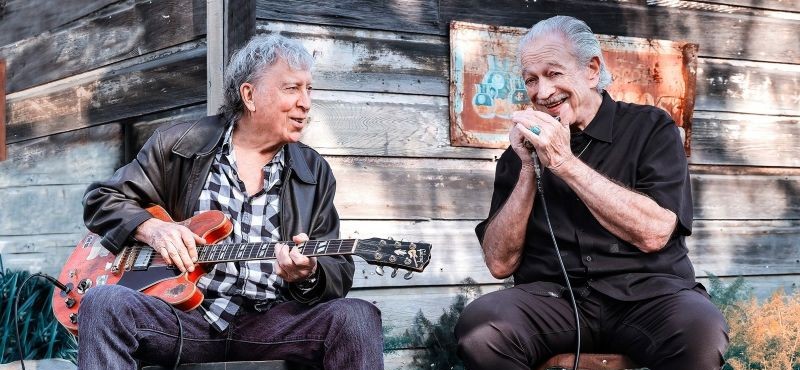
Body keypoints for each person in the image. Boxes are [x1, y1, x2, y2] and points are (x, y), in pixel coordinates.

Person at [77, 34, 383, 370]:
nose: (306, 103)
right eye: (291, 88)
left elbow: (338, 268)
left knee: (356, 316)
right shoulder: (180, 145)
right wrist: (153, 229)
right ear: (249, 95)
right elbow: (101, 200)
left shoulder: (314, 172)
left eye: (309, 89)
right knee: (103, 302)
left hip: (273, 321)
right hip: (184, 317)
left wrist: (308, 273)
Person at [454, 16, 728, 370]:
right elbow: (499, 263)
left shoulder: (650, 128)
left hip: (647, 296)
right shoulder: (520, 152)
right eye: (531, 80)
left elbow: (655, 232)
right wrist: (526, 168)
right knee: (481, 329)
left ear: (592, 70)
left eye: (553, 74)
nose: (542, 92)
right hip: (556, 301)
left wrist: (564, 163)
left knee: (699, 332)